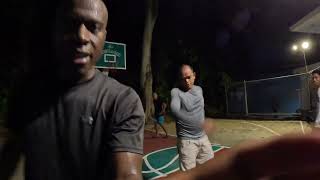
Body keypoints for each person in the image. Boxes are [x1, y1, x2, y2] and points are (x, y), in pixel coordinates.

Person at [0, 0, 145, 179]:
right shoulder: (26, 91)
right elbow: (9, 160)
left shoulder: (122, 101)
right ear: (55, 29)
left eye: (93, 27)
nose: (81, 36)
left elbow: (127, 175)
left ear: (104, 36)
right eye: (71, 23)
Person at [170, 64, 213, 171]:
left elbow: (199, 110)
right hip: (187, 142)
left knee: (211, 171)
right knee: (189, 176)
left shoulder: (199, 90)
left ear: (194, 75)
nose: (186, 81)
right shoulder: (176, 92)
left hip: (203, 139)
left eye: (189, 77)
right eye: (183, 79)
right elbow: (175, 110)